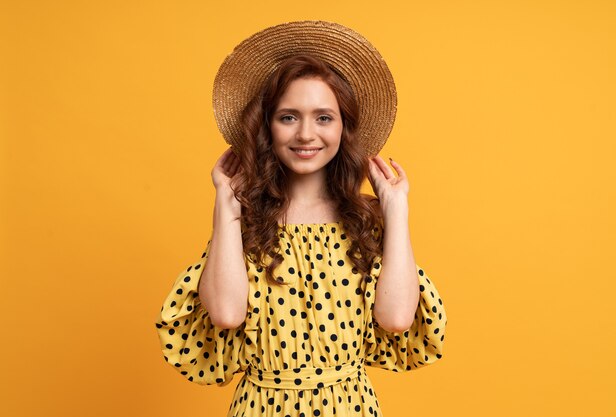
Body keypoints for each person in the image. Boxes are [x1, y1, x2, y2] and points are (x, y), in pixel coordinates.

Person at [155, 20, 447, 416]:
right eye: (289, 117)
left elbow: (396, 319)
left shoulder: (365, 222)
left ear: (343, 128)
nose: (306, 134)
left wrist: (396, 211)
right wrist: (226, 201)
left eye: (324, 117)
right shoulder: (245, 222)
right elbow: (225, 313)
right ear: (267, 127)